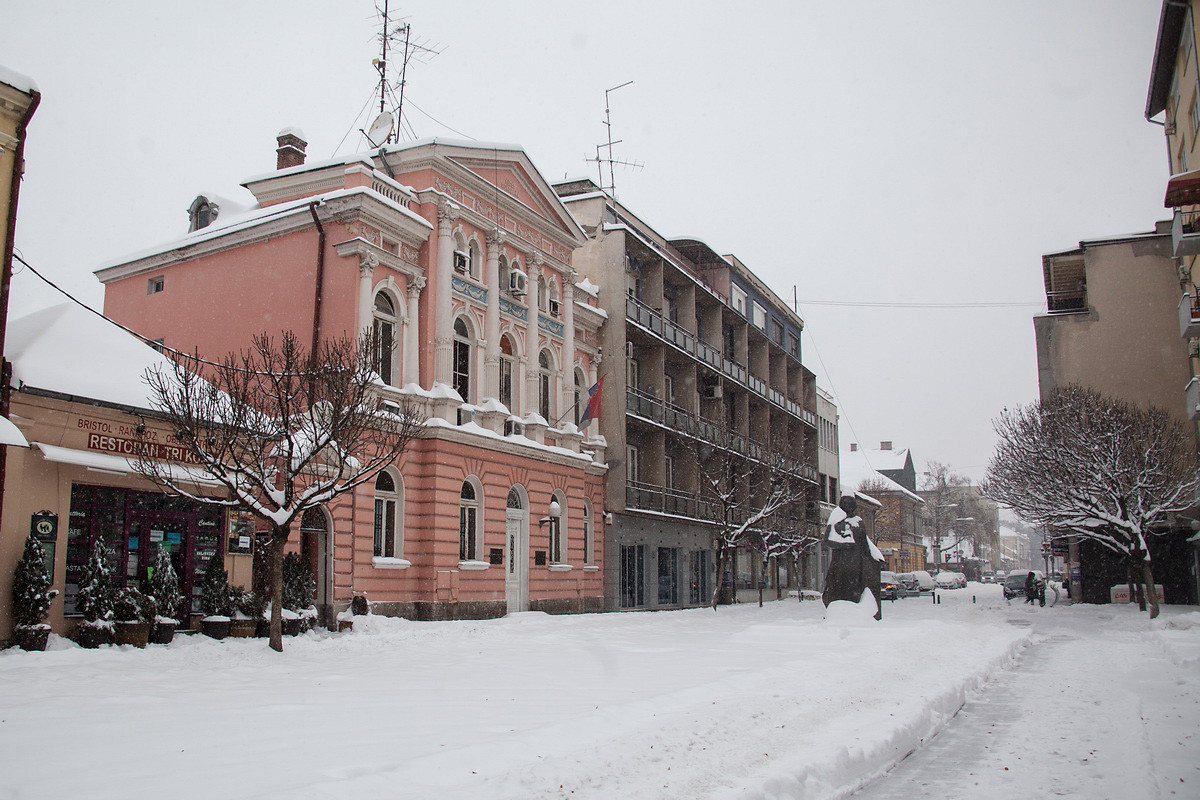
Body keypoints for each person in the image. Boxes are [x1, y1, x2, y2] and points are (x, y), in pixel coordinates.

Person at [822, 495, 886, 620]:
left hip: (855, 562)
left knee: (854, 588)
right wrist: (843, 545)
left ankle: (854, 611)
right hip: (839, 562)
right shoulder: (836, 520)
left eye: (850, 503)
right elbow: (827, 541)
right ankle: (838, 612)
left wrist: (873, 559)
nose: (847, 506)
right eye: (845, 503)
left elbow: (865, 543)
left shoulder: (858, 521)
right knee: (837, 586)